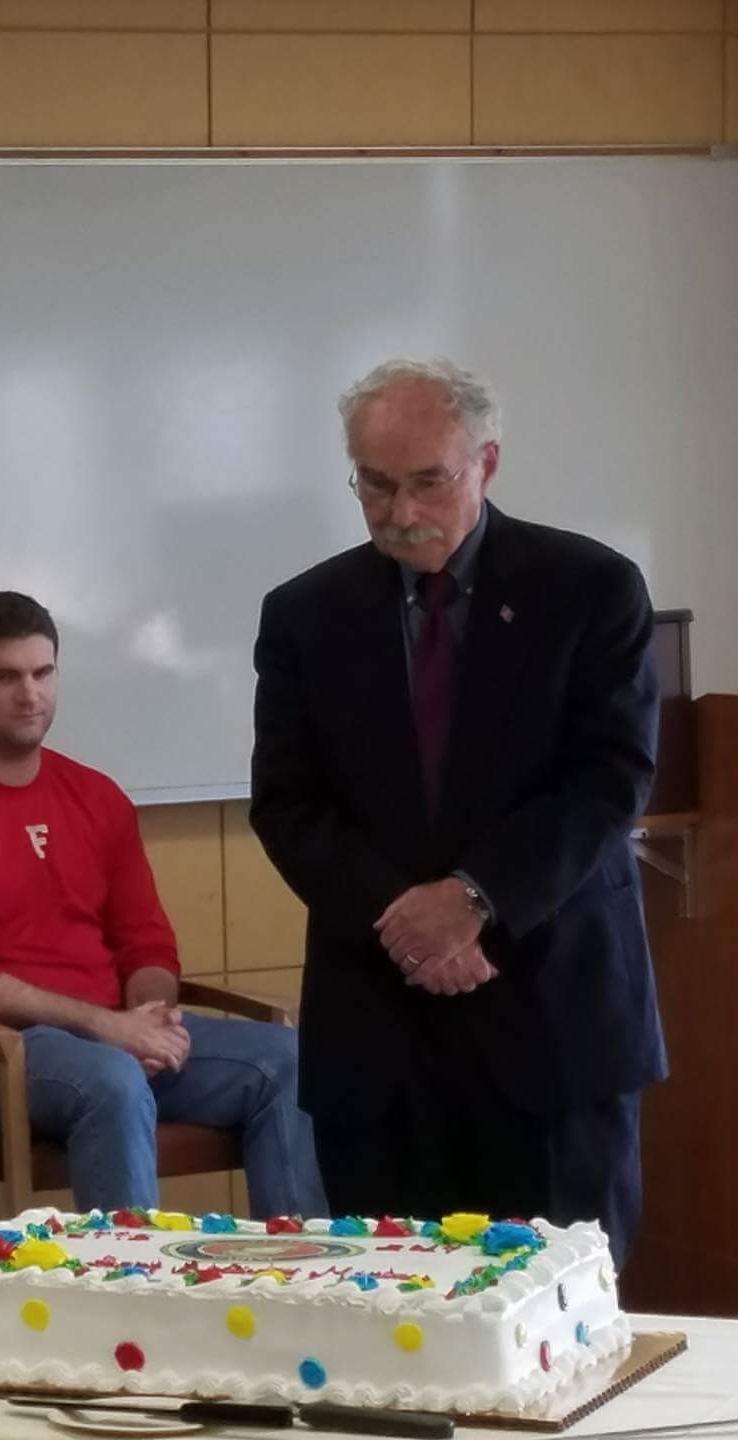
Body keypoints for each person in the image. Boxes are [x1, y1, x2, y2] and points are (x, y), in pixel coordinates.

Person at [250, 358, 663, 1265]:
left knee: (563, 1326)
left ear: (487, 463)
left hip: (554, 1024)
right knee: (393, 1330)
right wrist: (405, 920)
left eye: (428, 481)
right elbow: (287, 802)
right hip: (380, 1038)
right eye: (375, 484)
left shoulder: (590, 588)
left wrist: (473, 899)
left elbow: (611, 776)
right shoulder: (304, 615)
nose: (400, 512)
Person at [0, 591, 324, 1217]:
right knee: (112, 1081)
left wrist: (151, 1016)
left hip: (114, 1036)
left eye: (42, 673)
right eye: (4, 677)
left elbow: (145, 941)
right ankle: (132, 1295)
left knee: (289, 1061)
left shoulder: (96, 795)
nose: (29, 694)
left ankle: (305, 1279)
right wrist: (108, 1027)